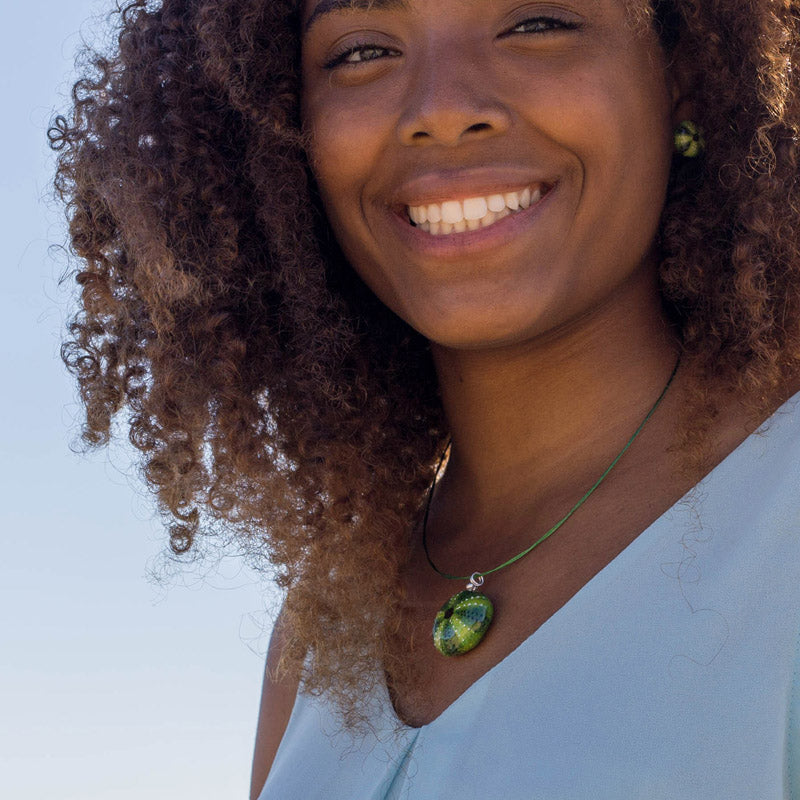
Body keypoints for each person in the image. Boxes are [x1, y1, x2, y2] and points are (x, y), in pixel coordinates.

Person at [51, 0, 800, 796]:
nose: (442, 108)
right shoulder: (318, 635)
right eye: (361, 50)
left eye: (538, 23)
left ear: (683, 73)